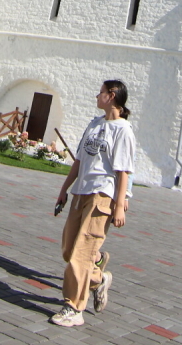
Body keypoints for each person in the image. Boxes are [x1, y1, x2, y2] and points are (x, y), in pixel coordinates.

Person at [49, 80, 136, 328]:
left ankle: (74, 307)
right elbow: (79, 160)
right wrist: (64, 189)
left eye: (100, 92)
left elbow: (123, 171)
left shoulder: (123, 130)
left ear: (112, 96)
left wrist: (120, 204)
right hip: (81, 192)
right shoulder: (95, 124)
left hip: (103, 196)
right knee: (69, 249)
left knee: (80, 254)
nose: (96, 96)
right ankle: (98, 275)